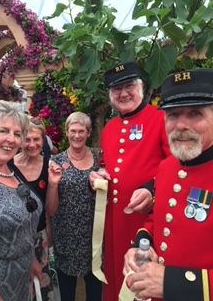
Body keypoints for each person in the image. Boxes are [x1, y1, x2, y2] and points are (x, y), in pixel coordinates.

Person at [123, 68, 213, 301]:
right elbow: (160, 218)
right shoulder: (166, 167)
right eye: (172, 114)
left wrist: (172, 283)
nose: (181, 125)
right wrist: (140, 245)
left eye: (195, 113)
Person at [89, 61, 171, 301]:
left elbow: (177, 167)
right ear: (110, 96)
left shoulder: (160, 118)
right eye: (117, 89)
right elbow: (106, 164)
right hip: (114, 222)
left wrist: (151, 189)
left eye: (129, 86)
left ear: (141, 87)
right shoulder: (109, 128)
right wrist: (98, 176)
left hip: (146, 218)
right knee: (115, 279)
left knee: (142, 283)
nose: (123, 93)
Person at [0, 100, 43, 301]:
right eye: (3, 131)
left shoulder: (9, 168)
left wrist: (31, 259)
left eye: (17, 134)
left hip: (20, 282)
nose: (11, 140)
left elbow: (22, 222)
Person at [46, 112, 102, 301]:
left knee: (95, 291)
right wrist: (53, 184)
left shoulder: (99, 157)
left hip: (93, 237)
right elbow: (51, 209)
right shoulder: (56, 162)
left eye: (81, 131)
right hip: (67, 238)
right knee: (66, 293)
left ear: (88, 133)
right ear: (67, 132)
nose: (77, 135)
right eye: (73, 131)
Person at [10, 117, 54, 301]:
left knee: (39, 286)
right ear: (20, 140)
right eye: (27, 139)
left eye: (36, 139)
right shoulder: (9, 164)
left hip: (38, 237)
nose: (32, 144)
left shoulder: (49, 165)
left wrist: (53, 184)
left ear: (43, 140)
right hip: (13, 237)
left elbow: (50, 210)